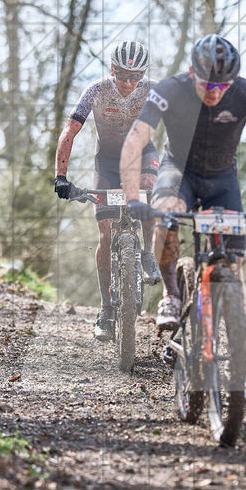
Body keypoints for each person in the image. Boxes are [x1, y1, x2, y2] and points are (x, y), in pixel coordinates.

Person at [119, 34, 246, 331]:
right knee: (166, 216)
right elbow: (135, 141)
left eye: (223, 85)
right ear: (193, 73)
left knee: (234, 263)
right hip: (179, 172)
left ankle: (232, 343)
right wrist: (133, 199)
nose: (215, 91)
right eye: (208, 84)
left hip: (222, 179)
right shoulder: (171, 89)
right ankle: (170, 294)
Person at [54, 40, 162, 342]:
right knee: (104, 233)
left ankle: (147, 252)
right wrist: (60, 176)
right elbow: (70, 130)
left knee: (149, 185)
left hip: (142, 154)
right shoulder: (96, 91)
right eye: (123, 75)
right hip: (107, 162)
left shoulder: (153, 89)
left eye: (135, 76)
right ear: (112, 69)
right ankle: (106, 310)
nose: (129, 82)